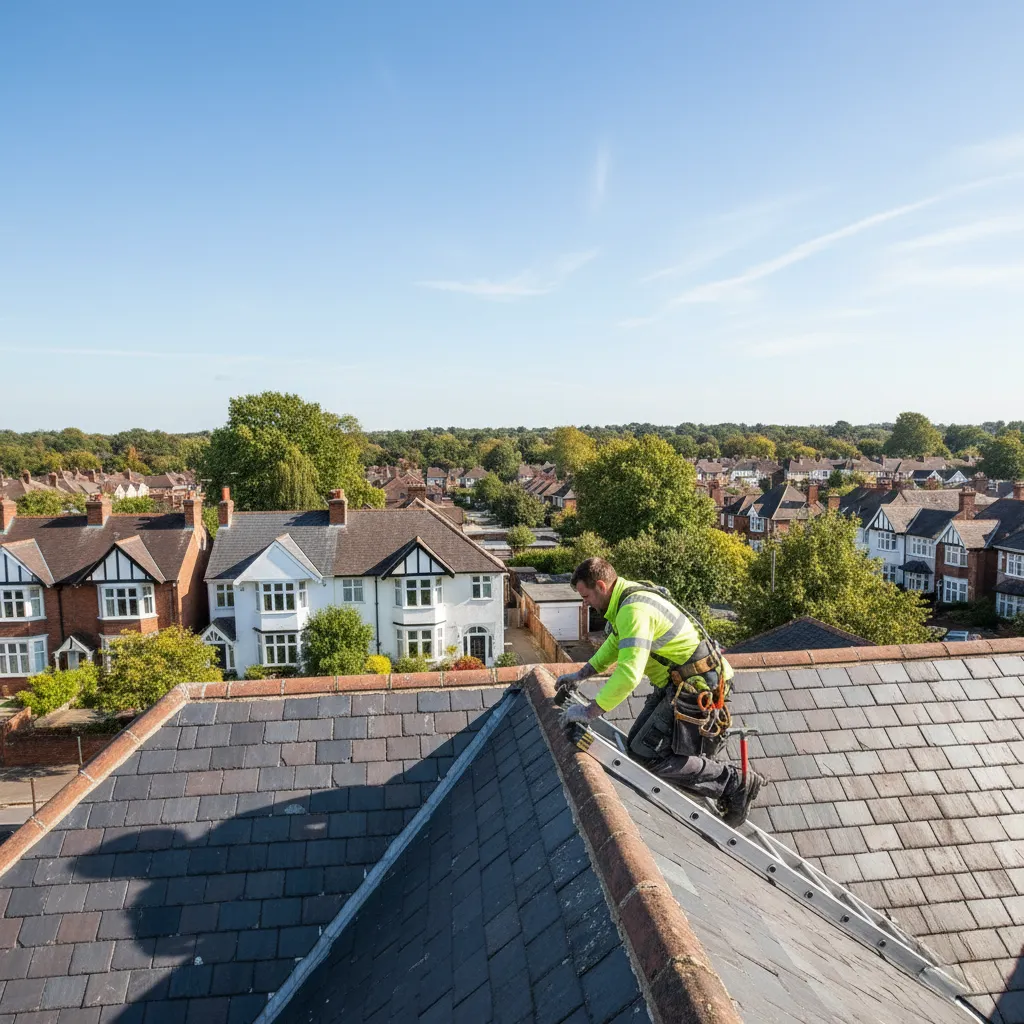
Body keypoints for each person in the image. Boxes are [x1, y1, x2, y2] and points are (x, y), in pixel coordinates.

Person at [556, 556, 764, 826]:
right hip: (678, 684)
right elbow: (615, 644)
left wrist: (589, 711)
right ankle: (723, 784)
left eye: (586, 596)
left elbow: (629, 674)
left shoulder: (633, 610)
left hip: (696, 686)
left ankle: (734, 784)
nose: (586, 604)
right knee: (637, 748)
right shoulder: (627, 599)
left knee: (648, 755)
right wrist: (581, 674)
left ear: (601, 585)